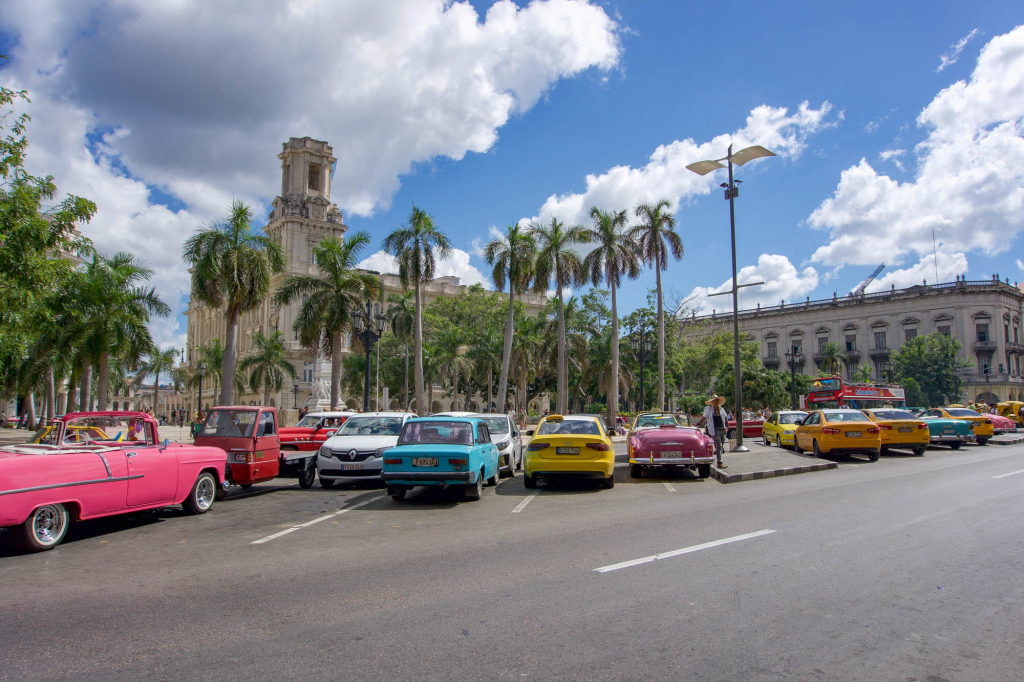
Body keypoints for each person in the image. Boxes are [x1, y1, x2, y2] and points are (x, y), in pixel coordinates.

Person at [696, 395, 728, 469]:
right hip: (714, 430)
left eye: (716, 401)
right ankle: (720, 462)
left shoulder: (721, 409)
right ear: (712, 402)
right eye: (713, 401)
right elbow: (704, 417)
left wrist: (726, 428)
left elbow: (725, 419)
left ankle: (719, 458)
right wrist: (698, 424)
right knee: (719, 445)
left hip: (722, 429)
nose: (715, 402)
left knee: (720, 445)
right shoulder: (709, 409)